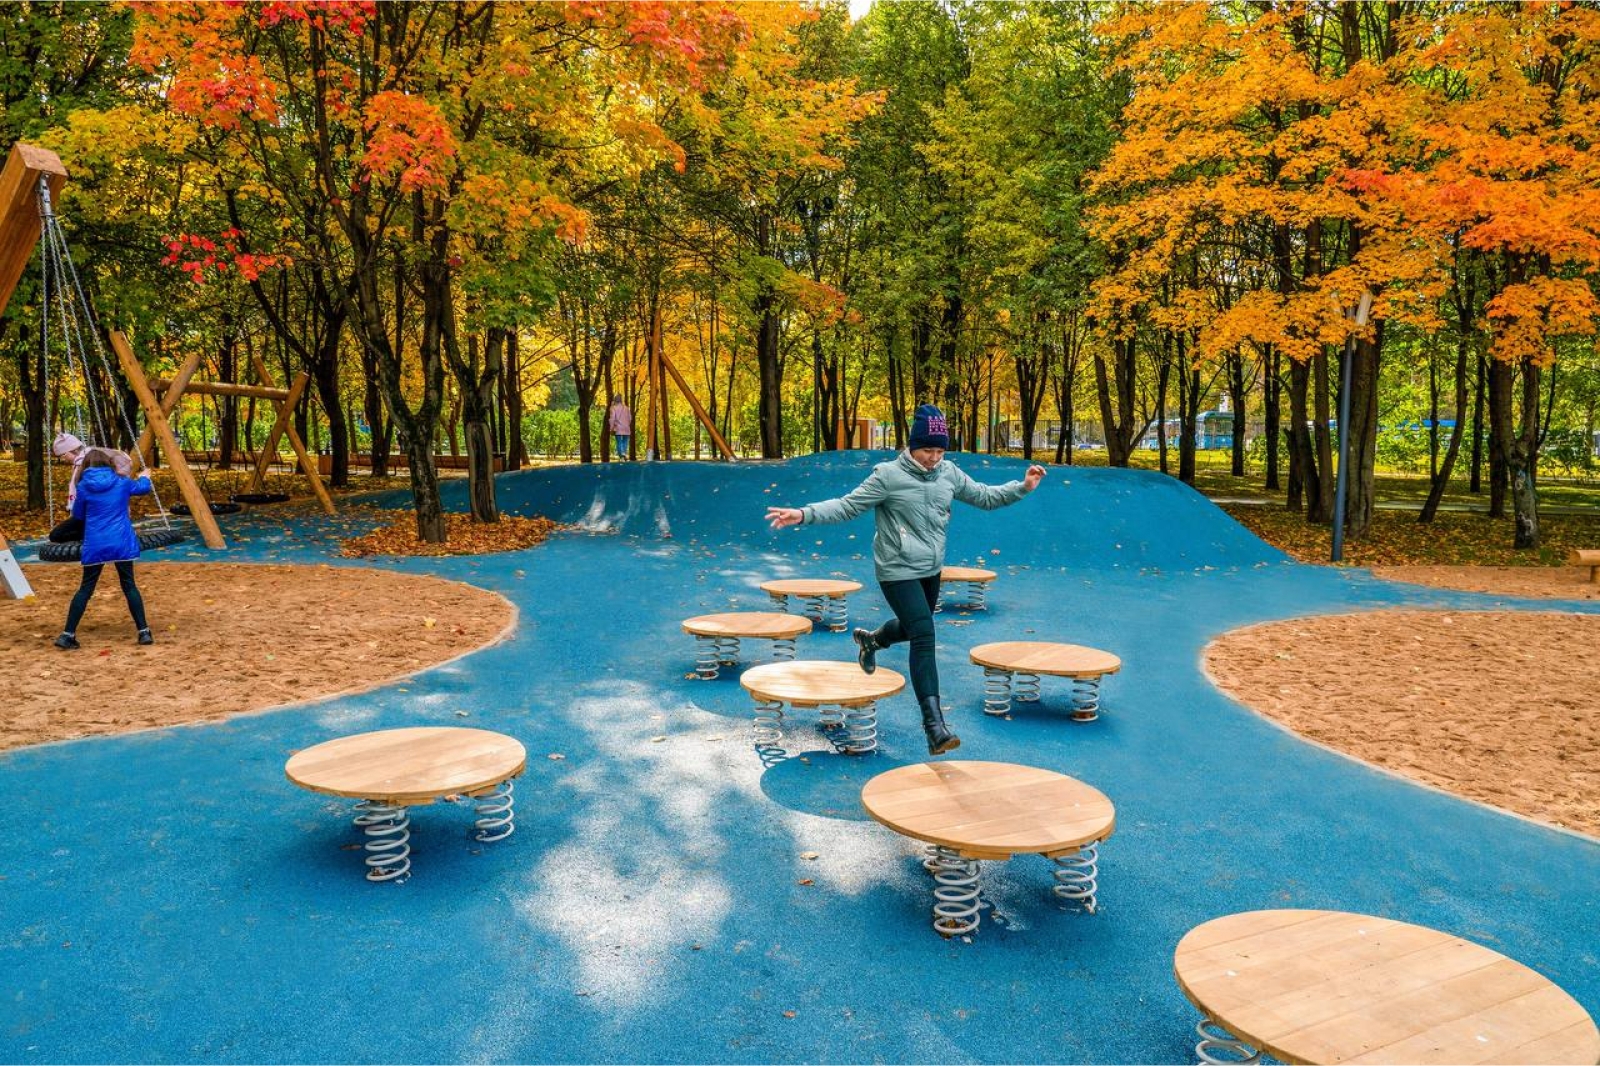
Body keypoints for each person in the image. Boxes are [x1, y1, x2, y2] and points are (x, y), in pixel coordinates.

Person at [765, 403, 1045, 755]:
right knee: (924, 634)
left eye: (940, 451)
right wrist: (803, 514)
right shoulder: (888, 476)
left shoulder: (949, 473)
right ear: (912, 446)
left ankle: (872, 641)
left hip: (930, 569)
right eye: (927, 450)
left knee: (915, 627)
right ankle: (935, 727)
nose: (933, 458)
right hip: (896, 570)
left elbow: (985, 497)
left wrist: (1024, 486)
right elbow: (847, 505)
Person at [55, 449, 154, 650]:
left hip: (96, 543)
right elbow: (143, 488)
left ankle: (67, 635)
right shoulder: (122, 482)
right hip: (121, 541)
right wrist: (145, 476)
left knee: (85, 588)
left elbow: (78, 515)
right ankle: (144, 632)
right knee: (129, 585)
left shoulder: (83, 487)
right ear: (109, 463)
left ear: (86, 466)